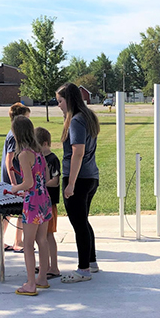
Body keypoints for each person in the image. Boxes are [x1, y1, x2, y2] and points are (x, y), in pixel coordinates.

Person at [55, 82, 100, 283]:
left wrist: (70, 183)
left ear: (69, 100)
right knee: (84, 221)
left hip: (79, 178)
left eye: (60, 101)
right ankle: (91, 262)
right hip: (91, 177)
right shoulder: (88, 117)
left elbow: (78, 152)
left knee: (79, 223)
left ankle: (83, 269)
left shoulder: (76, 121)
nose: (59, 106)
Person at [9, 116, 52, 296]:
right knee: (42, 240)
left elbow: (27, 182)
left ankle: (30, 284)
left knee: (27, 244)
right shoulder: (39, 153)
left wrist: (15, 188)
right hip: (44, 199)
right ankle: (42, 278)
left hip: (32, 201)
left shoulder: (24, 154)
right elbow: (47, 178)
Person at [1, 102, 31, 252]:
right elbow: (9, 159)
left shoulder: (12, 133)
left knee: (10, 211)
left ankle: (1, 241)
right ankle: (18, 242)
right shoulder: (14, 135)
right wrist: (13, 183)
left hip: (16, 178)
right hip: (14, 179)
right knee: (17, 210)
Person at [35, 127, 61, 278]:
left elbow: (56, 181)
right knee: (42, 236)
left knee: (49, 235)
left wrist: (42, 184)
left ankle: (54, 267)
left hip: (49, 203)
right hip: (41, 202)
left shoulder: (52, 159)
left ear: (45, 144)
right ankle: (46, 264)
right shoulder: (39, 159)